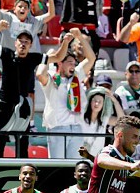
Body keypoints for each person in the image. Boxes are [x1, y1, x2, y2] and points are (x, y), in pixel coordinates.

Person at [0, 19, 70, 158]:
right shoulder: (6, 54)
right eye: (20, 41)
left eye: (26, 41)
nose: (23, 44)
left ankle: (22, 167)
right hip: (5, 104)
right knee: (0, 140)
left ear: (30, 45)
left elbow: (58, 57)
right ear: (15, 43)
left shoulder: (34, 58)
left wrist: (66, 42)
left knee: (23, 141)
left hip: (23, 105)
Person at [36, 29, 96, 159]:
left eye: (74, 63)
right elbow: (40, 74)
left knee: (75, 166)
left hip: (76, 128)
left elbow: (91, 58)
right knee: (57, 166)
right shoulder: (52, 78)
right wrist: (47, 57)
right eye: (69, 63)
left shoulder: (76, 76)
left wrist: (80, 37)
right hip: (57, 128)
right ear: (60, 63)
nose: (73, 66)